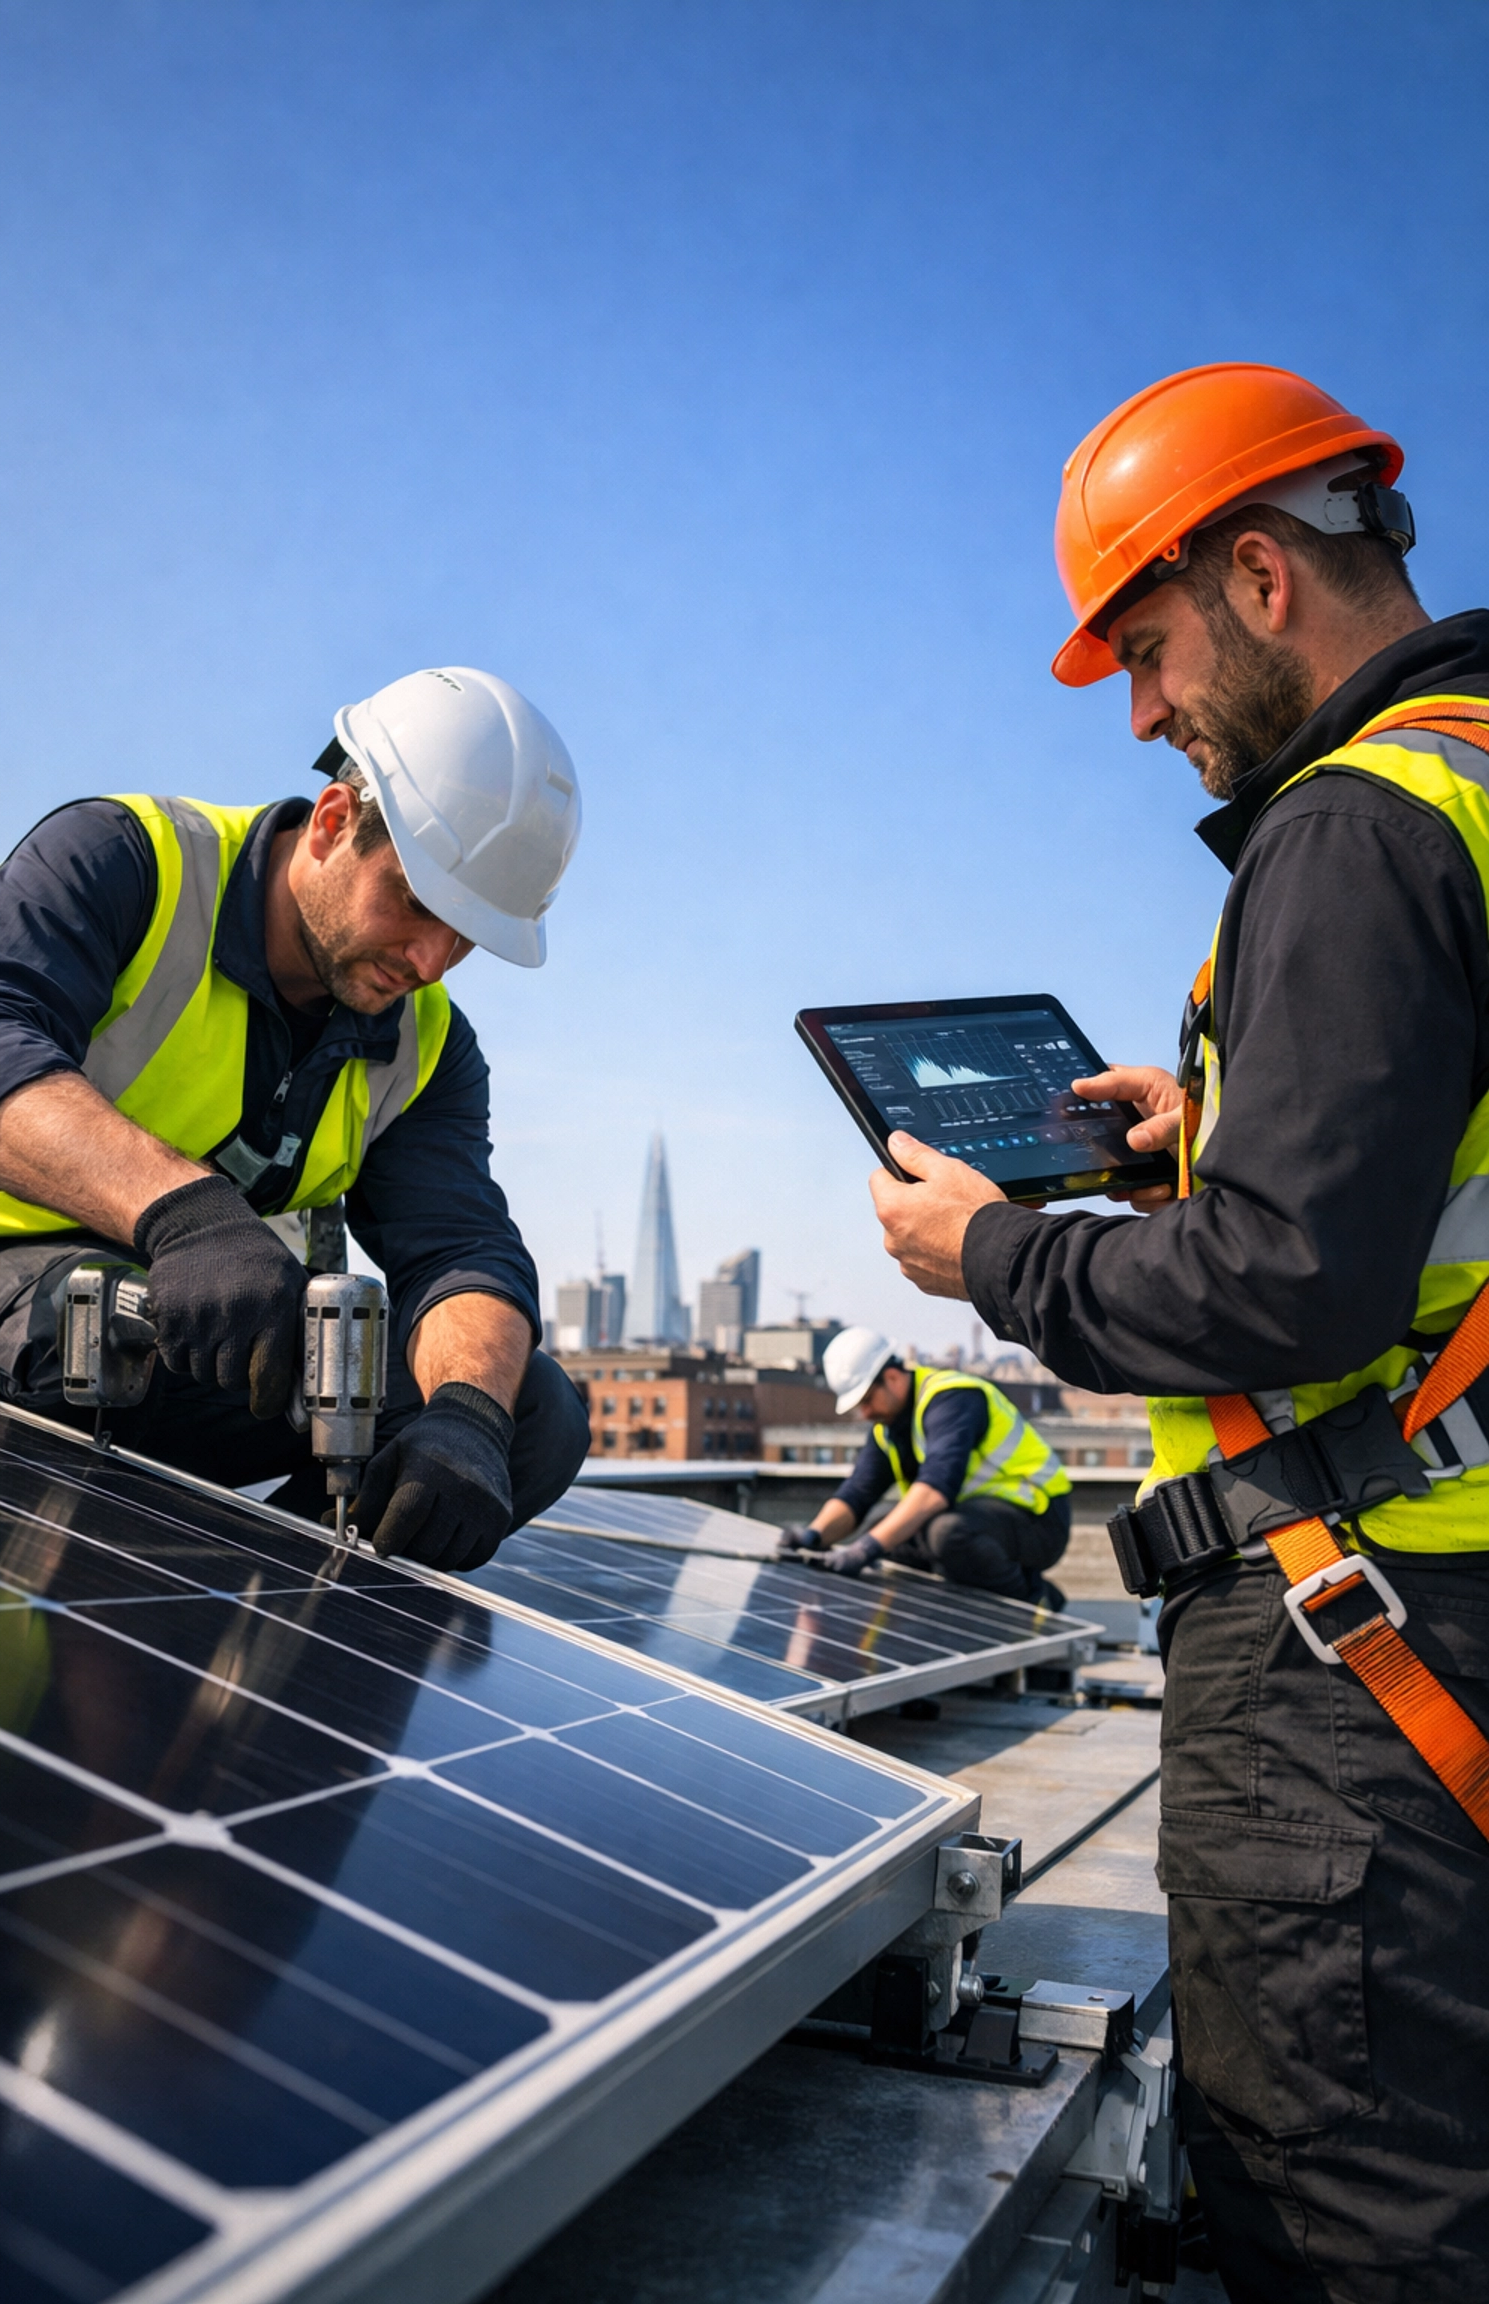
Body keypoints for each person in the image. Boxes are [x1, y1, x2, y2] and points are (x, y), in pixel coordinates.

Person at [865, 363, 1489, 2302]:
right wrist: (1207, 1137)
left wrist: (998, 1260)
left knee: (1340, 2210)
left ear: (1261, 575)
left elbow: (1296, 1281)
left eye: (1145, 649)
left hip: (1358, 1656)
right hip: (1440, 1609)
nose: (1139, 711)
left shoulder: (1355, 826)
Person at [0, 665, 590, 1573]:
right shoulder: (126, 859)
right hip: (8, 1281)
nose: (430, 960)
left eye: (466, 937)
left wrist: (469, 1421)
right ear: (334, 822)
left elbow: (458, 1248)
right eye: (418, 905)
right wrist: (186, 1214)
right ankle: (137, 1627)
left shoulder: (428, 1043)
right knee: (112, 1333)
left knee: (531, 1413)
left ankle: (278, 1632)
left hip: (237, 1324)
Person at [778, 1324, 1071, 1601]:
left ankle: (1033, 1601)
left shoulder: (952, 1399)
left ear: (891, 1378)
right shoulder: (888, 1428)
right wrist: (813, 1535)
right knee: (886, 1532)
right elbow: (857, 1494)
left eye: (866, 1400)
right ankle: (955, 1614)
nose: (864, 1413)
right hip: (984, 1519)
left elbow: (935, 1489)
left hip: (1040, 1517)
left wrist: (864, 1548)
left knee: (944, 1533)